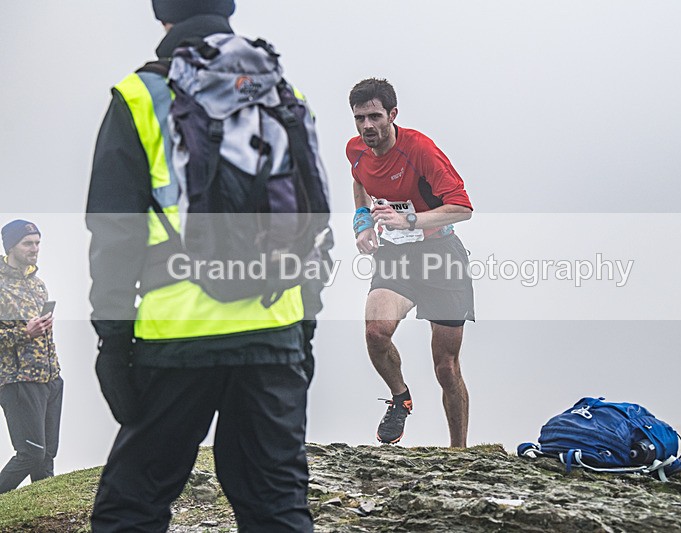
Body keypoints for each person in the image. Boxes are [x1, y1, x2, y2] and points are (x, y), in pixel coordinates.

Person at [86, 1, 329, 530]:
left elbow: (114, 231)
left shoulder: (141, 94)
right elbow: (314, 221)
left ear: (162, 15)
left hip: (177, 335)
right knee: (277, 507)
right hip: (275, 330)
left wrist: (112, 339)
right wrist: (304, 327)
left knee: (133, 504)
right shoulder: (284, 94)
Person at [346, 78, 475, 447]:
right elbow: (359, 181)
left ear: (392, 115)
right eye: (359, 118)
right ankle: (400, 397)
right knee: (375, 332)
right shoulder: (355, 149)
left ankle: (459, 453)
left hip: (441, 257)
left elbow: (462, 208)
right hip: (396, 256)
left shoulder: (420, 150)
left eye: (374, 116)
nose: (367, 126)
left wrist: (410, 220)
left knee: (446, 368)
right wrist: (362, 222)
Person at [0, 220, 63, 494]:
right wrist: (24, 333)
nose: (35, 248)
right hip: (18, 380)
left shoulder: (38, 285)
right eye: (28, 243)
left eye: (38, 242)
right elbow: (22, 333)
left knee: (47, 455)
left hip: (50, 378)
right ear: (11, 247)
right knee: (31, 454)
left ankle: (43, 515)